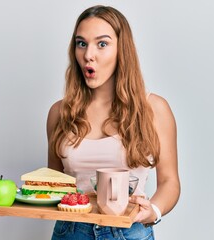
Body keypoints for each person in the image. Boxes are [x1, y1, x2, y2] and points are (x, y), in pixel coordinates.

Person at [47, 5, 180, 240]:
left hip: (131, 232)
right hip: (71, 232)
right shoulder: (60, 113)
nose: (89, 54)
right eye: (81, 43)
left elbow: (170, 182)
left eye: (102, 44)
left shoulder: (154, 109)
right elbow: (54, 187)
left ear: (122, 50)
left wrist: (153, 211)